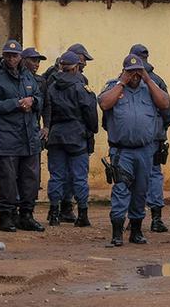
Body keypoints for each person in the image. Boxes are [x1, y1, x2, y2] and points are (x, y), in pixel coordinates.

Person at [99, 54, 170, 247]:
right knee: (121, 189)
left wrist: (148, 79)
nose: (135, 76)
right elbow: (104, 103)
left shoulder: (149, 88)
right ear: (124, 71)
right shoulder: (114, 87)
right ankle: (117, 234)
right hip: (122, 152)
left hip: (145, 150)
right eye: (131, 72)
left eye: (138, 71)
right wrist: (122, 82)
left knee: (141, 191)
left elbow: (164, 103)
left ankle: (136, 232)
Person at [0, 40, 46, 232]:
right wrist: (17, 103)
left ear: (21, 57)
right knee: (8, 179)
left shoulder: (29, 77)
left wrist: (33, 101)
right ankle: (7, 215)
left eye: (15, 55)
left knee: (30, 178)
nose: (11, 59)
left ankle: (26, 215)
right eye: (8, 55)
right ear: (3, 56)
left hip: (29, 137)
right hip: (6, 138)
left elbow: (40, 98)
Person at [45, 51, 98, 227]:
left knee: (56, 176)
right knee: (79, 177)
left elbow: (47, 111)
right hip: (76, 135)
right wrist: (91, 130)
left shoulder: (52, 86)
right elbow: (90, 112)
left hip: (55, 136)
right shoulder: (80, 87)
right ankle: (82, 214)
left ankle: (54, 213)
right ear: (75, 68)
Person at [129, 44, 170, 233]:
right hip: (155, 136)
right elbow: (168, 113)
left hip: (132, 137)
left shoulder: (124, 78)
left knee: (130, 175)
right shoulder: (157, 81)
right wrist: (160, 130)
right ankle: (156, 219)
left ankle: (132, 219)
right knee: (154, 174)